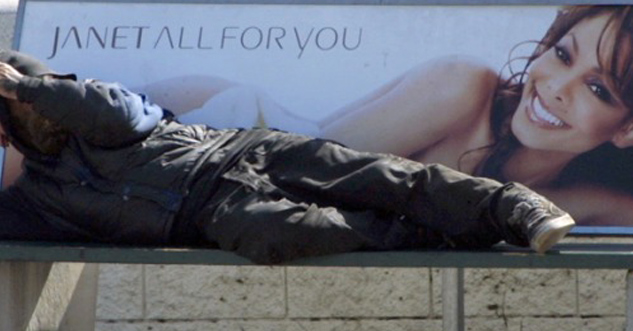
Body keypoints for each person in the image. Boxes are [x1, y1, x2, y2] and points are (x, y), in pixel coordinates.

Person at [0, 50, 574, 264]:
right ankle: (448, 236)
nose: (39, 119)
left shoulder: (98, 118)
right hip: (210, 214)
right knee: (280, 233)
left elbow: (111, 109)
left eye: (38, 102)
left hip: (242, 150)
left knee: (378, 175)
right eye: (23, 117)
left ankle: (512, 208)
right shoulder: (39, 197)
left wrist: (22, 85)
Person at [319, 5, 633, 226]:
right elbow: (301, 168)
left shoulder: (589, 201)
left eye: (597, 89)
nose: (557, 87)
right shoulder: (459, 86)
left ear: (627, 129)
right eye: (563, 55)